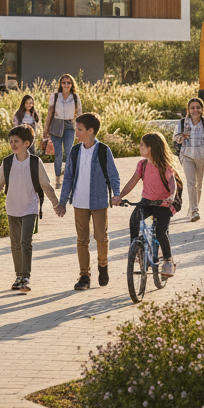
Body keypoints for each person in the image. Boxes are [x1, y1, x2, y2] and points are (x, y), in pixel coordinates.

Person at [0, 125, 65, 293]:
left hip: (30, 208)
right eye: (11, 142)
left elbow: (46, 186)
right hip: (12, 207)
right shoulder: (7, 162)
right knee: (15, 244)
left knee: (25, 242)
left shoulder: (35, 162)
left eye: (16, 141)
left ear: (26, 143)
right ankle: (18, 276)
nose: (13, 144)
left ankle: (26, 276)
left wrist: (56, 204)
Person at [61, 112, 122, 291]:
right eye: (76, 130)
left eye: (79, 130)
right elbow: (68, 178)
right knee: (82, 240)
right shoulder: (75, 151)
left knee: (101, 237)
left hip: (99, 201)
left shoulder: (103, 150)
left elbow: (113, 174)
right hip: (79, 202)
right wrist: (62, 201)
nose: (76, 133)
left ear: (90, 130)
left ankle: (102, 265)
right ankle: (84, 276)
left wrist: (116, 194)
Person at [117, 132, 183, 277]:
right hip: (146, 202)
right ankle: (139, 253)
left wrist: (171, 196)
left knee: (160, 232)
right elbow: (133, 181)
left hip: (163, 204)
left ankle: (168, 260)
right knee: (134, 221)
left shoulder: (165, 166)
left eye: (142, 145)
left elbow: (172, 182)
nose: (139, 147)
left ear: (151, 148)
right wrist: (120, 196)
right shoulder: (142, 165)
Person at [172, 97, 204, 222]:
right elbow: (175, 138)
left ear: (201, 109)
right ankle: (195, 211)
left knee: (198, 185)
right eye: (192, 108)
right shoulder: (182, 123)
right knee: (191, 182)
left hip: (200, 156)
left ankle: (192, 207)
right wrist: (182, 137)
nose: (195, 110)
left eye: (198, 107)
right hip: (186, 155)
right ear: (188, 110)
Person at [44, 74, 82, 188]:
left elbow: (79, 114)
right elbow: (50, 112)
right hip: (56, 124)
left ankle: (69, 177)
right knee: (58, 155)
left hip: (70, 125)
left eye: (68, 83)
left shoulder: (75, 97)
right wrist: (46, 129)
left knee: (69, 153)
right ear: (60, 84)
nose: (66, 85)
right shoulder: (55, 96)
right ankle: (57, 179)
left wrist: (80, 129)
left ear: (72, 84)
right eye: (64, 82)